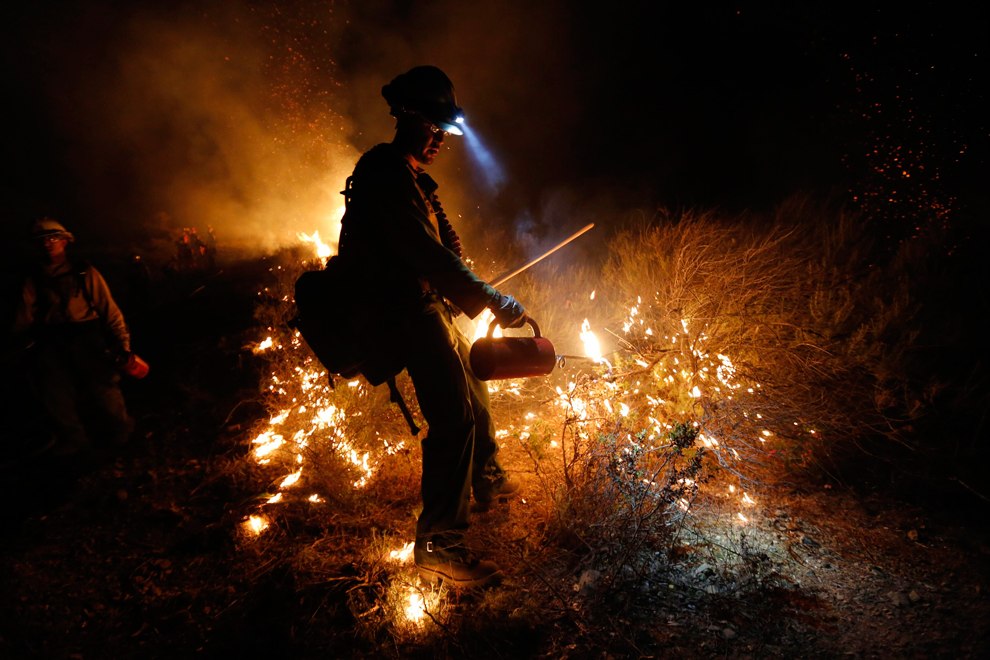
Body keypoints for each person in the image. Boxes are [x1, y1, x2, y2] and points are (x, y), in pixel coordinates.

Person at [337, 65, 529, 588]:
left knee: (475, 391)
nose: (441, 138)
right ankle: (440, 544)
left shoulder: (411, 176)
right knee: (454, 418)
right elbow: (424, 254)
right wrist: (492, 300)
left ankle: (485, 479)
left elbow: (443, 253)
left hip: (427, 305)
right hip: (401, 311)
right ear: (409, 117)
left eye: (445, 130)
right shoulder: (385, 173)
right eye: (434, 127)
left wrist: (473, 292)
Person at [11, 218, 135, 460]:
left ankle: (121, 434)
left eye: (53, 238)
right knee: (54, 392)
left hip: (87, 335)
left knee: (104, 386)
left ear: (66, 241)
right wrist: (17, 343)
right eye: (42, 240)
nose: (48, 243)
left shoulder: (84, 271)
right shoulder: (33, 277)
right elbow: (23, 316)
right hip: (52, 340)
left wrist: (123, 344)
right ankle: (74, 440)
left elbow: (109, 310)